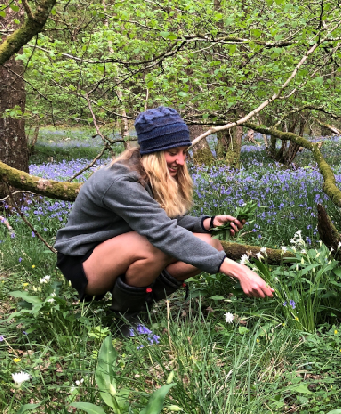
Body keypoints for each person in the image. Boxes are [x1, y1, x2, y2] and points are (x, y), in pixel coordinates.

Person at [55, 106, 273, 316]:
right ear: (153, 153)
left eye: (184, 152)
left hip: (117, 251)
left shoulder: (148, 174)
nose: (181, 160)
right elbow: (163, 233)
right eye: (172, 152)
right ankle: (128, 314)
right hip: (82, 265)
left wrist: (206, 223)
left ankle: (142, 299)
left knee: (210, 244)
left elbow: (164, 221)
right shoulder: (120, 182)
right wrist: (238, 270)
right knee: (155, 245)